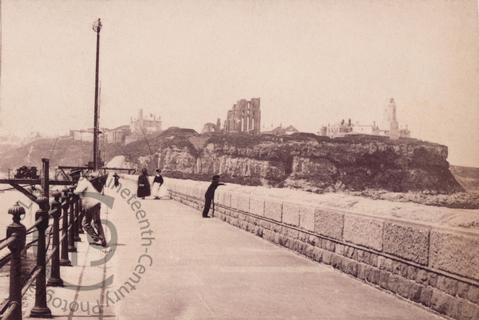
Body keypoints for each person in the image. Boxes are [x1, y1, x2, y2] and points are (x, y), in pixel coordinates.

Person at [73, 175, 107, 247]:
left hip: (92, 205)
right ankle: (99, 239)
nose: (73, 179)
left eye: (74, 177)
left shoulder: (83, 182)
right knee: (88, 223)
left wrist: (73, 189)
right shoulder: (84, 182)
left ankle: (100, 240)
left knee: (92, 223)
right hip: (91, 205)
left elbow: (77, 191)